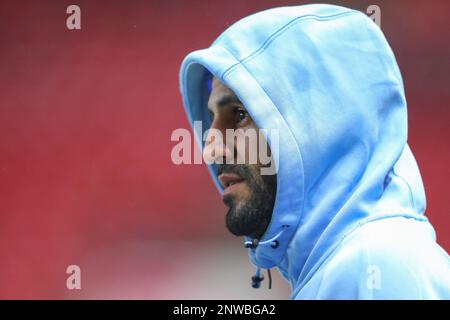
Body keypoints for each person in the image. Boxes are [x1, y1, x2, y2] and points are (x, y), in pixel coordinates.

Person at [178, 4, 450, 299]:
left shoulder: (376, 263)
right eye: (211, 120)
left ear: (314, 127)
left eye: (240, 115)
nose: (210, 150)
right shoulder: (348, 265)